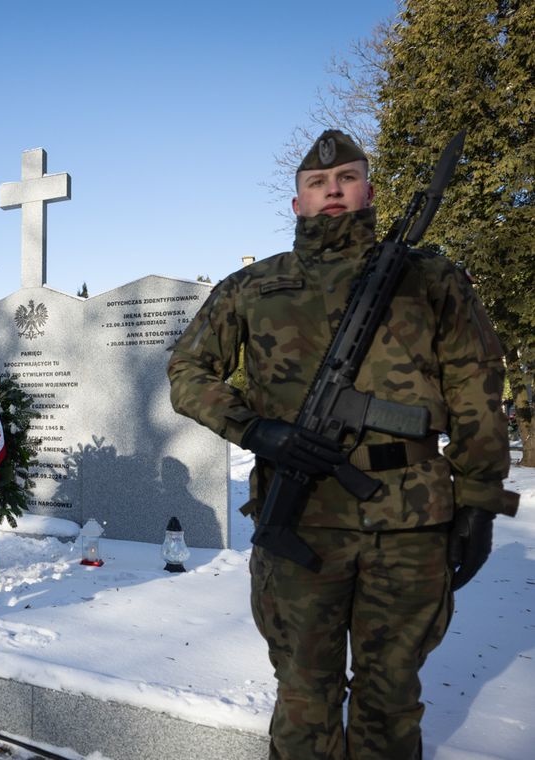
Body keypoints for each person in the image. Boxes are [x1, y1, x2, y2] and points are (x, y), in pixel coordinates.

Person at [167, 130, 518, 759]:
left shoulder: (430, 279)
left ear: (369, 192)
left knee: (390, 698)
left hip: (410, 523)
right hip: (301, 522)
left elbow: (476, 387)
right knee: (305, 695)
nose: (332, 191)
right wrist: (255, 429)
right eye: (317, 183)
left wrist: (480, 502)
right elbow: (188, 372)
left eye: (346, 179)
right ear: (297, 202)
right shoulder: (253, 286)